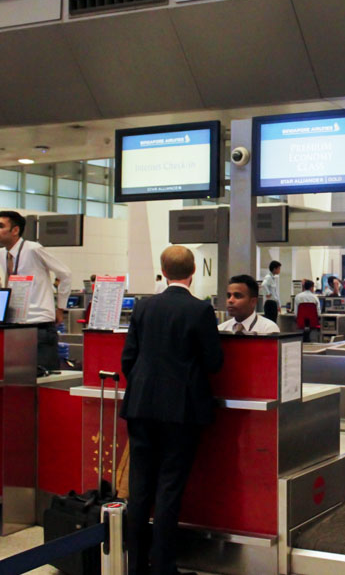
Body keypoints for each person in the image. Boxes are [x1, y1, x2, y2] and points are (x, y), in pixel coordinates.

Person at [121, 246, 223, 575]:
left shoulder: (143, 307)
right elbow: (214, 362)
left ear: (163, 272)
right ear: (194, 271)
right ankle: (163, 566)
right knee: (169, 487)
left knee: (139, 489)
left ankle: (134, 564)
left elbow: (128, 358)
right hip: (181, 412)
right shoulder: (200, 310)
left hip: (140, 406)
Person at [0, 211, 73, 371]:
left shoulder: (33, 249)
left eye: (0, 226)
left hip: (39, 324)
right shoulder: (1, 255)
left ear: (15, 230)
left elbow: (65, 274)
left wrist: (60, 308)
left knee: (45, 378)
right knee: (19, 378)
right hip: (16, 325)